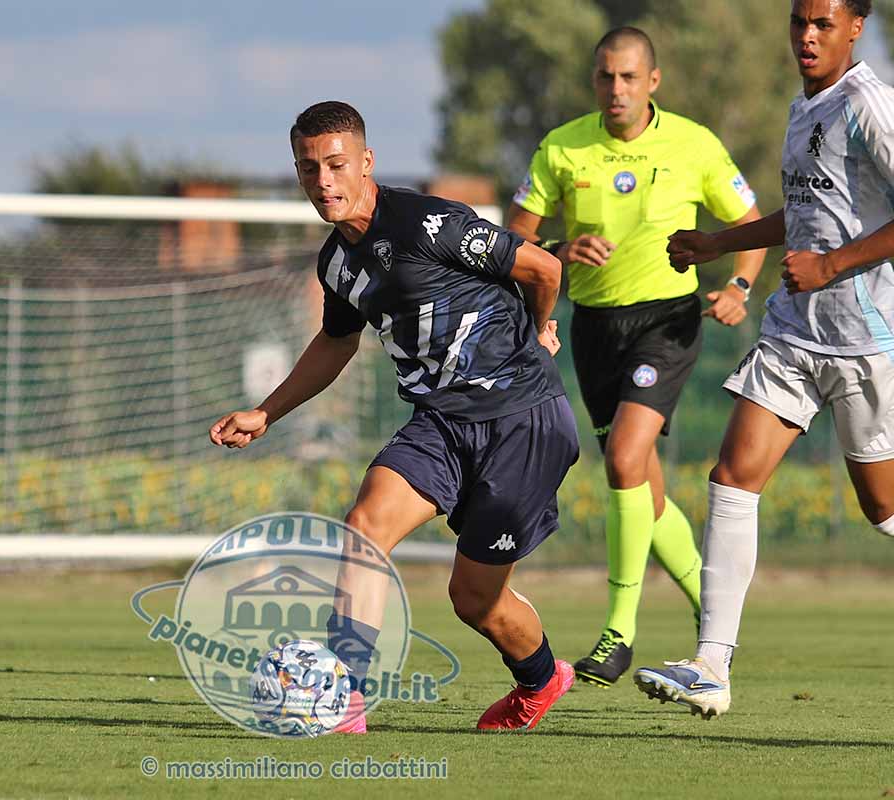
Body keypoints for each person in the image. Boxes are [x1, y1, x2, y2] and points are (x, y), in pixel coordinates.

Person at [210, 101, 580, 732]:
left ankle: (541, 681)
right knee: (365, 524)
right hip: (439, 422)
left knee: (475, 600)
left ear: (366, 162)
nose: (323, 181)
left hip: (522, 418)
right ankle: (346, 696)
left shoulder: (429, 223)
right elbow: (336, 342)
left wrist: (540, 332)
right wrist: (266, 412)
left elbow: (544, 267)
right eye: (308, 168)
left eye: (336, 165)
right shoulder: (336, 263)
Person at [635, 0, 893, 718]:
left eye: (823, 24)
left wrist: (834, 264)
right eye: (798, 22)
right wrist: (718, 243)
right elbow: (809, 212)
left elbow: (842, 238)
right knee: (732, 478)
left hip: (867, 340)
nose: (806, 36)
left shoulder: (870, 105)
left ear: (856, 27)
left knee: (882, 507)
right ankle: (711, 666)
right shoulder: (804, 106)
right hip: (794, 332)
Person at [505, 27, 767, 686]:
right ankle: (711, 610)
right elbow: (512, 240)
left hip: (667, 322)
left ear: (653, 81)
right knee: (641, 484)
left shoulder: (694, 143)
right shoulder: (562, 147)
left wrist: (739, 286)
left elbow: (751, 224)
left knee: (624, 458)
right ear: (594, 80)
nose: (616, 89)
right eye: (605, 77)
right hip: (594, 328)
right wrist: (561, 250)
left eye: (628, 77)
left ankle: (617, 633)